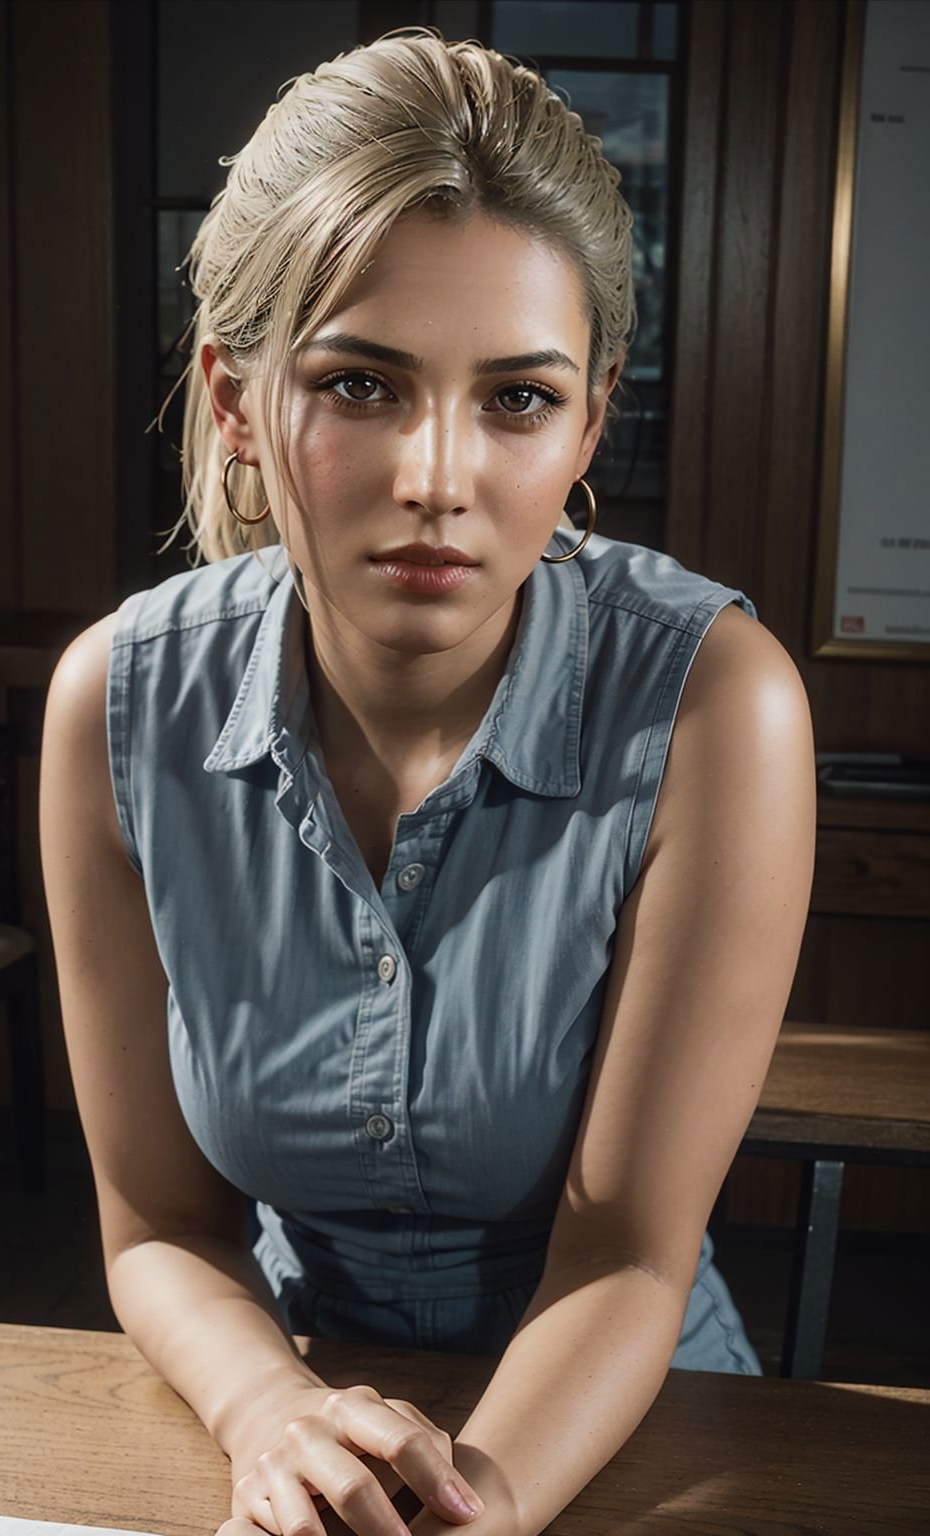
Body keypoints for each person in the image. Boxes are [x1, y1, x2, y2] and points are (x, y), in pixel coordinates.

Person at [39, 28, 815, 1536]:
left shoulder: (723, 704)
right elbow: (161, 1230)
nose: (437, 476)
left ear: (589, 423)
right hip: (289, 1417)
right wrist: (279, 1424)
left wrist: (474, 1508)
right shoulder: (114, 706)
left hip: (631, 1429)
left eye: (517, 400)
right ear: (241, 404)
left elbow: (627, 1254)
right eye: (363, 384)